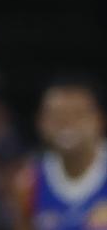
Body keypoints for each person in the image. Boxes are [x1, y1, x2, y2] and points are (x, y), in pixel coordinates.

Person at [14, 77, 107, 230]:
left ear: (99, 120)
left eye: (78, 114)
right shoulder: (28, 183)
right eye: (57, 116)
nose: (67, 124)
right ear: (40, 122)